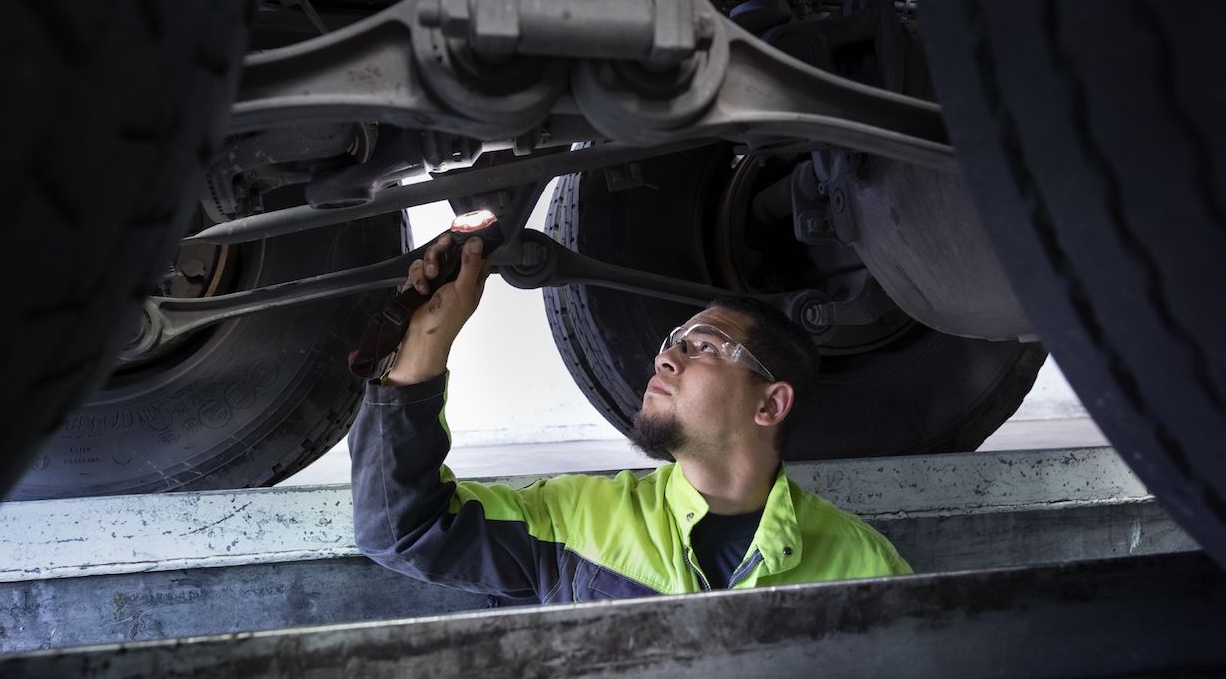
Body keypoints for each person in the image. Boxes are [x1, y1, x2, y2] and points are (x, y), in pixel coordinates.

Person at [348, 232, 911, 603]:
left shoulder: (860, 566)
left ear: (771, 404)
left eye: (707, 347)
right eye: (673, 342)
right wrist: (422, 351)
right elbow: (404, 532)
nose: (665, 357)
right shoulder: (579, 519)